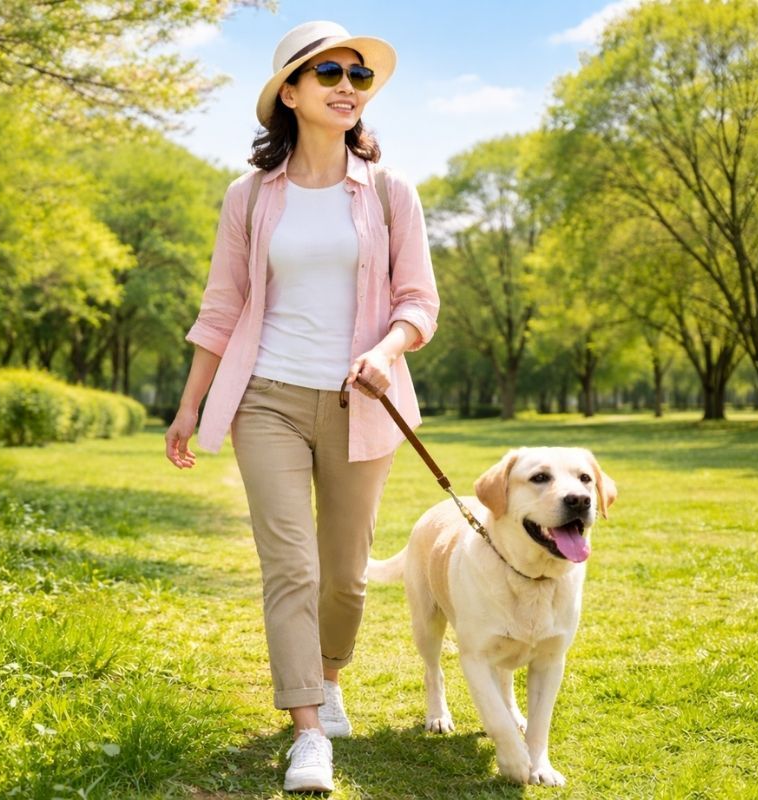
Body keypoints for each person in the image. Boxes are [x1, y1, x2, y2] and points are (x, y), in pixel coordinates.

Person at [164, 19, 439, 794]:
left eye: (358, 76)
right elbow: (221, 308)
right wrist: (190, 406)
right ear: (289, 92)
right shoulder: (248, 197)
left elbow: (419, 301)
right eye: (329, 74)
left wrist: (385, 352)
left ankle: (328, 676)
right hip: (268, 400)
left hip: (365, 405)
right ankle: (308, 731)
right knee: (291, 566)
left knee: (344, 578)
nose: (348, 86)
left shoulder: (390, 193)